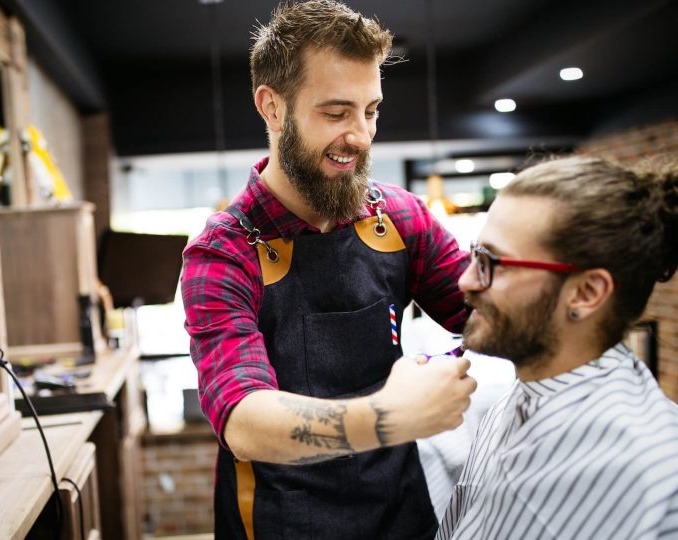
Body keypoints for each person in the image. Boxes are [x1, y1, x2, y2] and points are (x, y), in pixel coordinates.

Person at [180, 1, 476, 538]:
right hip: (280, 520)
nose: (361, 136)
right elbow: (242, 419)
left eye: (371, 111)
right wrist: (391, 417)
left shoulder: (401, 218)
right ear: (272, 107)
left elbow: (484, 313)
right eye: (336, 114)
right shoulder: (223, 252)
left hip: (400, 512)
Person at [438, 154, 678, 540]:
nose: (465, 281)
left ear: (586, 293)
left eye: (492, 262)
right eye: (474, 255)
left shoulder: (669, 477)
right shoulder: (512, 402)